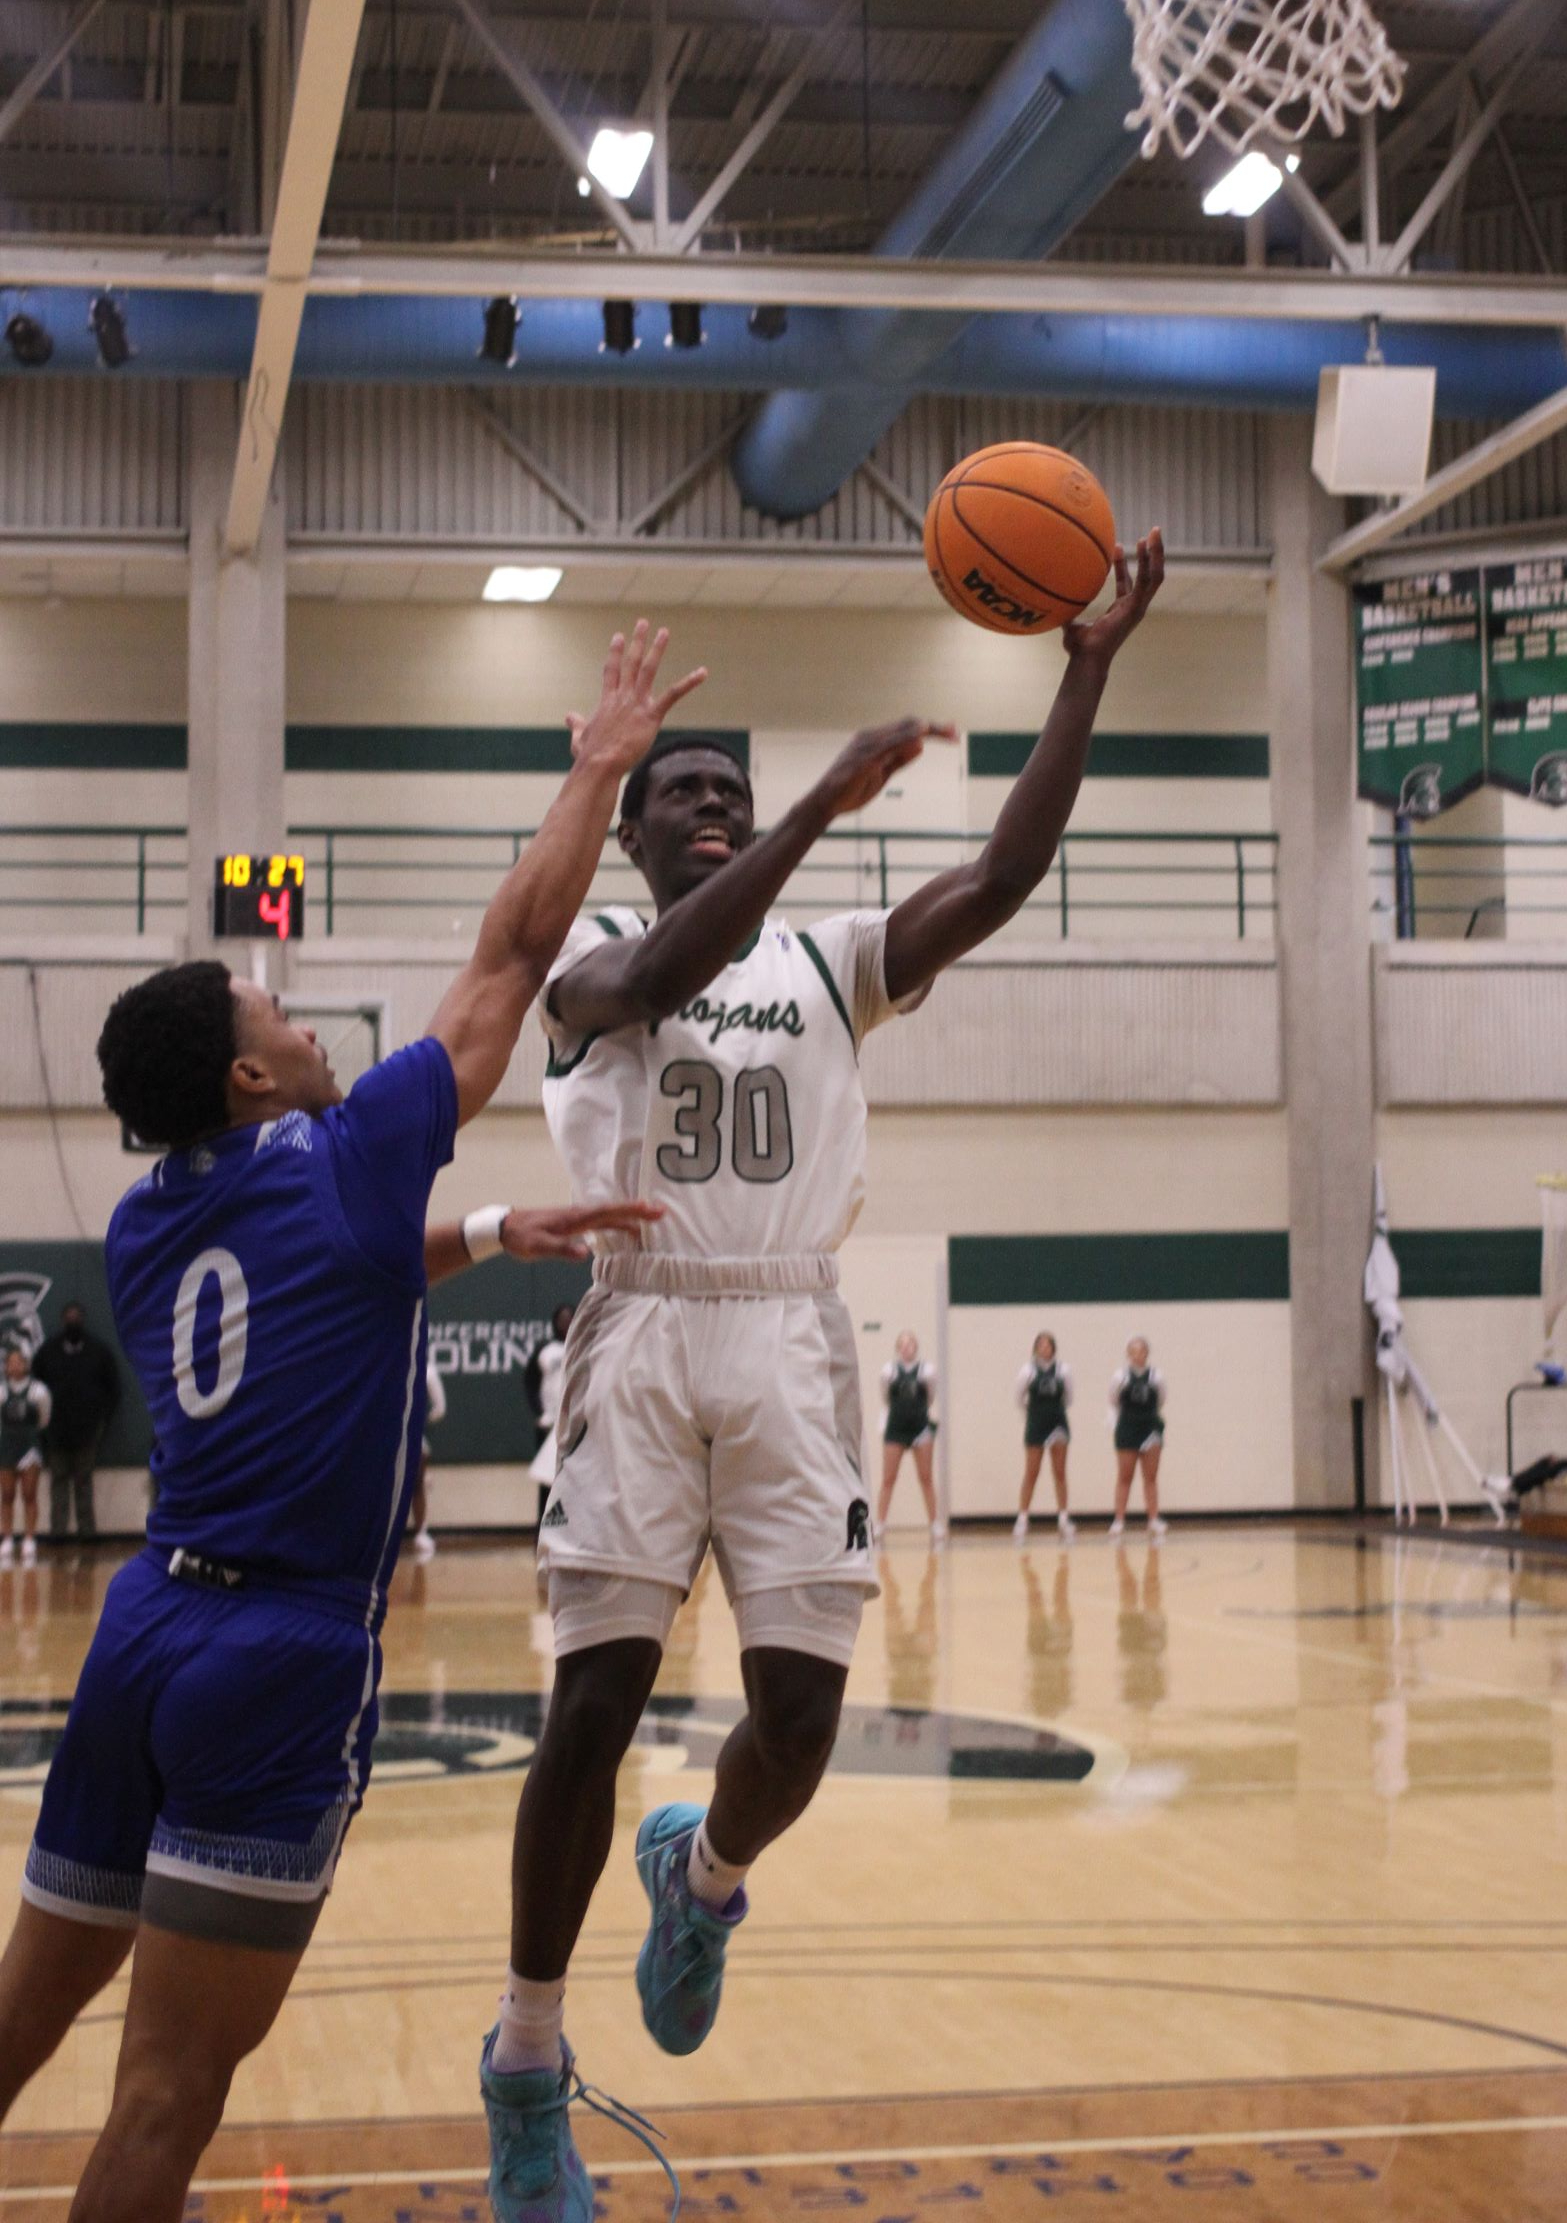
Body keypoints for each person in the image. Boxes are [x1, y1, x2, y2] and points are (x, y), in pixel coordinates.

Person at [481, 530, 1163, 2223]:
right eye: (683, 793)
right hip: (639, 1326)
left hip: (790, 1329)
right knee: (593, 1703)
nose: (709, 802)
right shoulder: (585, 970)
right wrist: (804, 822)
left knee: (797, 1719)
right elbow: (659, 970)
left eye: (735, 788)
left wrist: (1082, 665)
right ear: (636, 827)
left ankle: (702, 1876)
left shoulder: (837, 955)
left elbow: (996, 880)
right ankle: (521, 2053)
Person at [0, 622, 697, 2223]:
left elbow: (323, 1272)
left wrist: (482, 1230)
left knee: (19, 2025)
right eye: (283, 1014)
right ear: (251, 1081)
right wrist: (596, 769)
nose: (312, 1021)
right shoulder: (356, 1148)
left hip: (145, 1629)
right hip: (280, 1662)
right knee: (166, 2097)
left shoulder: (143, 1224)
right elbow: (516, 953)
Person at [33, 1304, 121, 1545]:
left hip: (88, 1429)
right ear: (62, 1320)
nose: (73, 1321)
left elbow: (113, 1389)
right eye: (69, 1317)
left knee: (84, 1481)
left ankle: (87, 1532)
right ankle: (58, 1533)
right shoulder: (48, 1351)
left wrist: (102, 1420)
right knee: (58, 1481)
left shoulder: (98, 1351)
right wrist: (44, 1426)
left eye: (77, 1317)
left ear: (83, 1320)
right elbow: (35, 1388)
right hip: (56, 1430)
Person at [874, 1331, 944, 1544]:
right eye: (902, 1345)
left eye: (910, 1344)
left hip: (920, 1429)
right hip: (896, 1429)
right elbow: (886, 1397)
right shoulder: (889, 1371)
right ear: (898, 1349)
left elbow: (930, 1397)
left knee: (926, 1477)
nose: (907, 1348)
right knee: (888, 1479)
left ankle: (934, 1524)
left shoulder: (927, 1371)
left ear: (916, 1347)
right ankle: (880, 1524)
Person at [1014, 1333, 1073, 1544]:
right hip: (1036, 1423)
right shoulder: (1028, 1371)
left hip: (1057, 1423)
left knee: (1059, 1472)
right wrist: (1033, 1414)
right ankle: (1022, 1518)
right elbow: (1019, 1398)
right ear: (1035, 1348)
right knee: (1032, 1471)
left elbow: (1069, 1397)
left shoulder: (1063, 1370)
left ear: (1053, 1348)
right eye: (1040, 1345)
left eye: (1048, 1345)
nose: (1044, 1348)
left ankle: (1063, 1518)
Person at [1109, 1336, 1167, 1538]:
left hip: (1150, 1428)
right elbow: (1114, 1401)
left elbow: (1160, 1400)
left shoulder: (1156, 1377)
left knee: (1150, 1477)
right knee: (1125, 1476)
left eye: (1141, 1351)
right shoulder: (1120, 1377)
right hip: (1127, 1428)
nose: (1137, 1355)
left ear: (1147, 1353)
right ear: (1128, 1354)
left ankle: (1153, 1519)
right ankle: (1119, 1520)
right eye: (1133, 1351)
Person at [525, 1300, 575, 1525]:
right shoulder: (544, 1351)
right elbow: (530, 1383)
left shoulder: (582, 1346)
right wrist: (539, 1412)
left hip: (575, 1426)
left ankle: (571, 1531)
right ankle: (543, 1531)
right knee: (548, 1481)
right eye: (561, 1319)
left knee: (575, 1479)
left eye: (569, 1318)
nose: (565, 1322)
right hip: (548, 1427)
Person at [0, 1348, 51, 1570]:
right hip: (7, 1445)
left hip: (29, 1446)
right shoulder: (1, 1391)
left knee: (29, 1493)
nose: (14, 1366)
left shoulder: (38, 1390)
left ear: (26, 1365)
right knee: (7, 1494)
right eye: (10, 1363)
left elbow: (44, 1419)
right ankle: (8, 1538)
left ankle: (29, 1539)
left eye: (18, 1362)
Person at [410, 1362, 448, 1563]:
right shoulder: (386, 1363)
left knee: (418, 1481)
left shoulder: (427, 1370)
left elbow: (439, 1408)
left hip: (414, 1435)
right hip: (385, 1434)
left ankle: (421, 1532)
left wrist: (423, 1422)